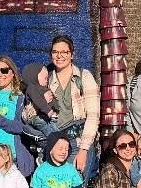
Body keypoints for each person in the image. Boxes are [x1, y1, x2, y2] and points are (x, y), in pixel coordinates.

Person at [33, 36, 102, 175]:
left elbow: (93, 116)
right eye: (55, 52)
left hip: (78, 141)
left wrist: (83, 150)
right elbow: (30, 111)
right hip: (54, 141)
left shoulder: (84, 76)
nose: (59, 56)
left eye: (64, 52)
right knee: (53, 187)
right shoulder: (45, 78)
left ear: (72, 54)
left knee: (75, 187)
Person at [0, 56, 41, 175]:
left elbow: (23, 128)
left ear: (13, 73)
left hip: (11, 160)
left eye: (4, 70)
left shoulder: (21, 98)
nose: (0, 74)